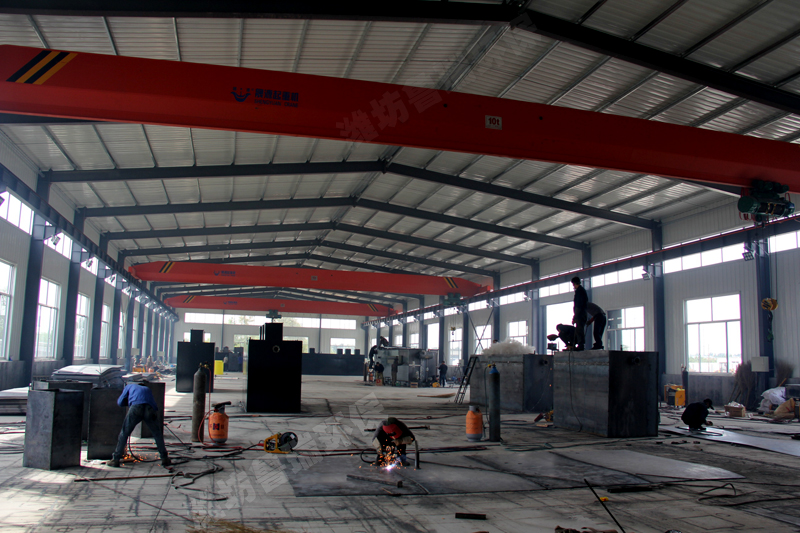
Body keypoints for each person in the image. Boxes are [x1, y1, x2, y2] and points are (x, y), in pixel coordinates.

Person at [108, 382, 171, 467]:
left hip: (136, 408)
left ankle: (115, 459)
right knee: (157, 434)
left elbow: (120, 402)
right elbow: (154, 405)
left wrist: (129, 401)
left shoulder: (129, 386)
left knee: (124, 433)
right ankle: (165, 458)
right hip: (150, 409)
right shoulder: (147, 389)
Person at [571, 276, 588, 351]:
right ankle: (580, 344)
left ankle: (581, 345)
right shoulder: (581, 291)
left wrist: (575, 317)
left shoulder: (579, 292)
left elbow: (578, 305)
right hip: (582, 313)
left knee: (579, 330)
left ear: (574, 283)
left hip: (580, 314)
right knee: (579, 330)